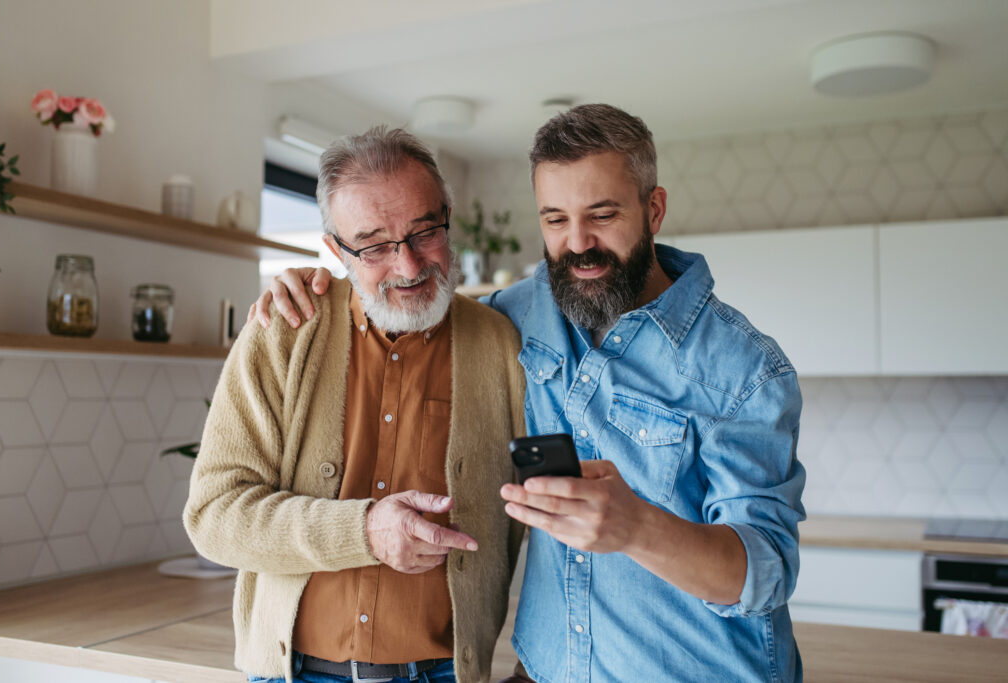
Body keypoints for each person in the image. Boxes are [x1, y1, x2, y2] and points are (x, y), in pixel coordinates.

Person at [251, 104, 807, 682]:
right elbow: (406, 296)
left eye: (603, 214)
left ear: (654, 209)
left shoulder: (745, 370)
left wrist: (638, 527)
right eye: (555, 219)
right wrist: (308, 288)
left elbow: (766, 572)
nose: (578, 242)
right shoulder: (512, 319)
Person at [185, 126, 526, 683]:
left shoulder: (501, 344)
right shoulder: (282, 332)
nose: (410, 266)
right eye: (373, 246)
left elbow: (552, 520)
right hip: (293, 672)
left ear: (448, 216)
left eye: (425, 232)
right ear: (336, 251)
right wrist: (363, 531)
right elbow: (213, 516)